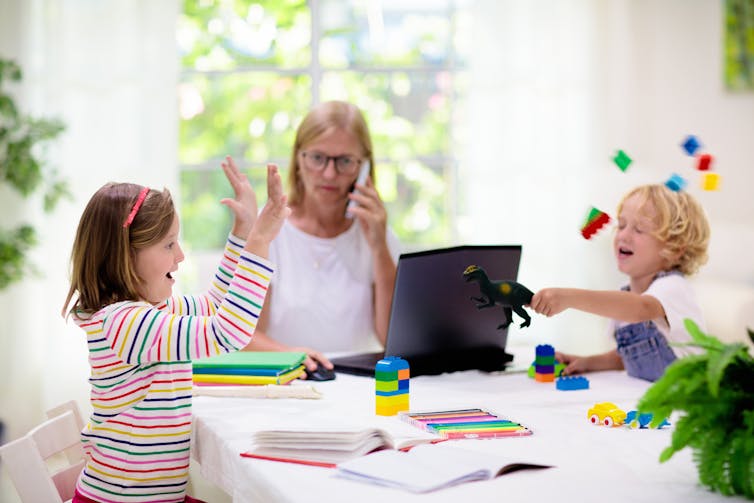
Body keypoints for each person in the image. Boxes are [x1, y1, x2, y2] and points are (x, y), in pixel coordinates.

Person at [62, 161, 289, 503]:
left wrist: (243, 230)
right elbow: (226, 333)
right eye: (168, 245)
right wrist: (259, 242)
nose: (180, 256)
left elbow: (216, 305)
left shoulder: (151, 312)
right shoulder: (125, 324)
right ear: (126, 256)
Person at [241, 101, 400, 371]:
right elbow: (241, 336)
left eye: (345, 161)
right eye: (317, 158)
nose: (329, 173)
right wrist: (290, 355)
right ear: (299, 160)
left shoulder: (377, 234)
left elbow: (392, 339)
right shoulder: (269, 231)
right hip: (289, 379)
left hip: (357, 382)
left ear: (363, 167)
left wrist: (379, 248)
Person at [529, 184, 710, 382]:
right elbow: (626, 357)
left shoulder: (674, 287)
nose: (623, 235)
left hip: (693, 401)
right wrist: (586, 362)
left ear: (675, 249)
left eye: (639, 229)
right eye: (621, 225)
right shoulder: (623, 298)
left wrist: (569, 298)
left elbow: (640, 309)